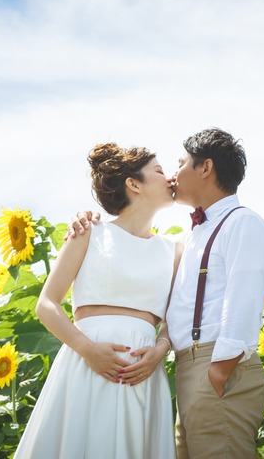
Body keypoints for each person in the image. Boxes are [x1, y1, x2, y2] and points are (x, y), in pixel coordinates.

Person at [68, 128, 264, 459]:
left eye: (179, 163)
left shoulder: (243, 223)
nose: (173, 175)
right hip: (187, 370)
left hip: (215, 367)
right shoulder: (193, 237)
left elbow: (244, 305)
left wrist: (217, 375)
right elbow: (174, 308)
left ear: (205, 168)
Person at [16, 143, 182, 459]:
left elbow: (174, 319)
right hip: (88, 364)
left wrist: (159, 352)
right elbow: (47, 303)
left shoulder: (173, 250)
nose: (170, 177)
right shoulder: (90, 232)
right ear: (134, 184)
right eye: (160, 171)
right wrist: (89, 351)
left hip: (141, 373)